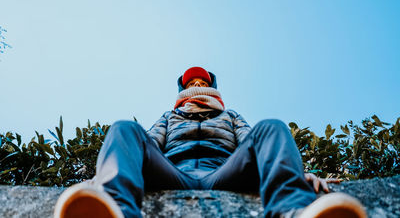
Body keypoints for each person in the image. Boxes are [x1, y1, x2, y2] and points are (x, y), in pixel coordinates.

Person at [54, 67, 367, 218]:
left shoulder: (230, 115)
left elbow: (254, 144)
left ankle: (293, 212)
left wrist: (295, 173)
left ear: (212, 87)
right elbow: (146, 144)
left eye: (202, 82)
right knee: (125, 129)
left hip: (223, 173)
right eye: (192, 83)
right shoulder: (170, 116)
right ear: (184, 88)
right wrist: (107, 173)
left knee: (271, 126)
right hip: (175, 173)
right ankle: (115, 211)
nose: (197, 86)